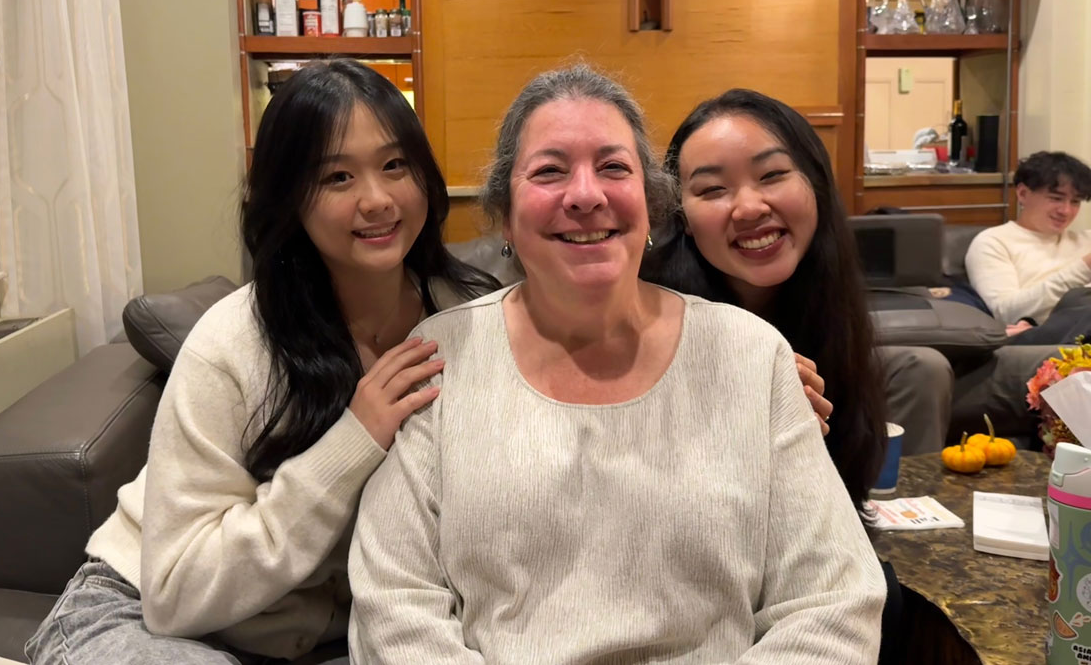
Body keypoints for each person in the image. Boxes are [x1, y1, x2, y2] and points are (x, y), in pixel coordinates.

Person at [348, 65, 885, 664]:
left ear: (653, 206)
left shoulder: (752, 355)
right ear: (503, 212)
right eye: (550, 171)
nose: (586, 194)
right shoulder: (441, 356)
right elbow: (394, 604)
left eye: (613, 167)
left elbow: (833, 602)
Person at [25, 60, 496, 665]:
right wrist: (353, 441)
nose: (377, 200)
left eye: (394, 165)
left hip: (343, 634)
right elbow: (174, 596)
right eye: (337, 178)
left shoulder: (466, 315)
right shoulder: (235, 343)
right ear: (289, 199)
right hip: (148, 618)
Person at [640, 89, 920, 665]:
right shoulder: (648, 317)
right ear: (682, 218)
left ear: (814, 183)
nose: (748, 207)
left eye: (771, 176)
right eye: (712, 189)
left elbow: (835, 522)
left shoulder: (833, 310)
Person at [965, 151, 1091, 345]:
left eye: (1075, 202)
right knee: (1080, 300)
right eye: (1056, 198)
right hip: (1043, 344)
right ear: (1023, 193)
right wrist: (1084, 267)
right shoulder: (993, 242)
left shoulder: (1086, 240)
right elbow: (1007, 312)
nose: (1066, 211)